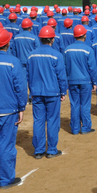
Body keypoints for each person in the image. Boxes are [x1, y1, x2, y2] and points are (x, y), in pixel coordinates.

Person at [0, 28, 27, 189]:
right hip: (8, 110)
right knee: (6, 144)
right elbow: (20, 87)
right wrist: (21, 107)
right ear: (7, 43)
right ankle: (6, 179)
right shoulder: (13, 61)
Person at [27, 25, 68, 159]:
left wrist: (31, 91)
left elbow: (28, 75)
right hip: (52, 92)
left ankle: (39, 150)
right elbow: (61, 76)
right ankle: (51, 150)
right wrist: (63, 91)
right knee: (52, 121)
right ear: (52, 39)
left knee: (38, 121)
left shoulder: (31, 55)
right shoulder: (57, 55)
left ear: (40, 39)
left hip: (36, 93)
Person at [64, 25, 97, 135]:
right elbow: (92, 68)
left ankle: (74, 128)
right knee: (85, 105)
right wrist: (94, 82)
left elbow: (65, 66)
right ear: (84, 36)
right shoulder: (88, 50)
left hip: (72, 81)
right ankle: (85, 127)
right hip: (85, 81)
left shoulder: (67, 50)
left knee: (74, 104)